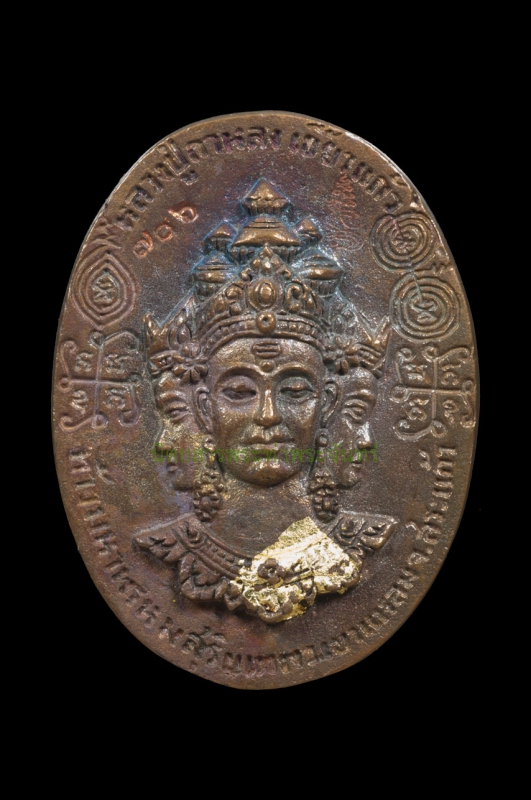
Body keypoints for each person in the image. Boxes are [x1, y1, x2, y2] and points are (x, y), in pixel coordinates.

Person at [136, 179, 396, 623]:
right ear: (204, 409)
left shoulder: (368, 538)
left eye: (295, 391)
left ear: (329, 403)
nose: (268, 416)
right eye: (239, 392)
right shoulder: (164, 545)